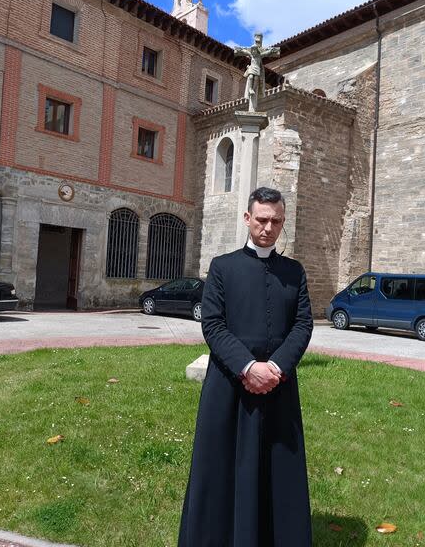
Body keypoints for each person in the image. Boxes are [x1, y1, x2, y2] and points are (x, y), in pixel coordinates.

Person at [178, 187, 313, 547]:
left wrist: (277, 368)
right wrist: (248, 367)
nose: (268, 228)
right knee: (222, 467)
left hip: (278, 387)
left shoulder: (294, 272)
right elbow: (213, 324)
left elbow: (303, 325)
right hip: (229, 385)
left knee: (275, 468)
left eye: (276, 221)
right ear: (248, 219)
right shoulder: (222, 267)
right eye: (262, 219)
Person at [234, 33, 280, 112]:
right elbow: (245, 51)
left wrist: (271, 51)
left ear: (257, 51)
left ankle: (253, 89)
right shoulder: (251, 55)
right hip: (252, 68)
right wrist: (240, 50)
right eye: (253, 50)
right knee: (251, 77)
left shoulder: (259, 55)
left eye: (255, 50)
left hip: (257, 69)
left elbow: (266, 53)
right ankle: (250, 89)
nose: (254, 51)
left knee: (256, 78)